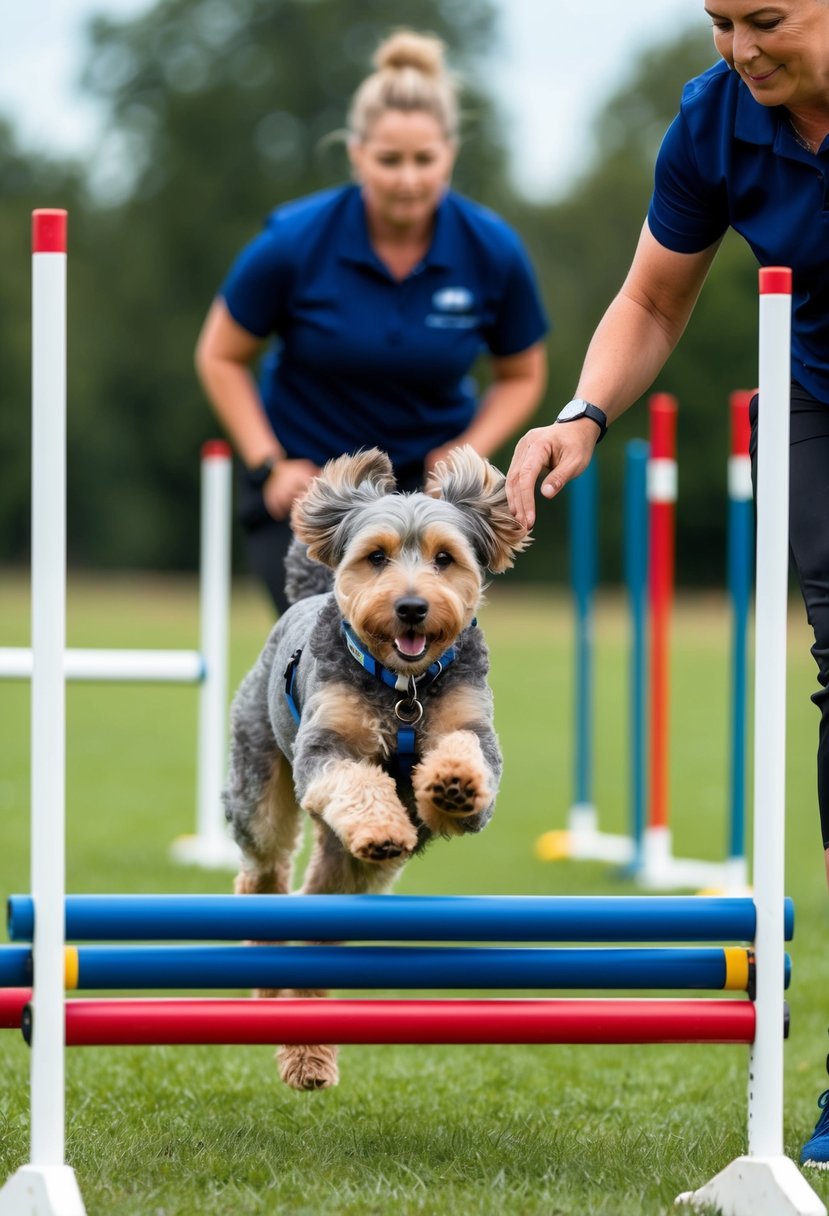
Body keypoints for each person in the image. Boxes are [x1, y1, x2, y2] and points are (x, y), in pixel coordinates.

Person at [505, 0, 829, 1168]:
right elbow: (652, 297)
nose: (740, 49)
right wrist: (584, 413)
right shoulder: (715, 124)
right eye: (717, 21)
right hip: (820, 401)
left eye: (767, 19)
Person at [196, 28, 548, 615]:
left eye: (423, 160)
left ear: (450, 154)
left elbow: (522, 374)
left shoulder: (492, 250)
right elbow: (220, 355)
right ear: (356, 153)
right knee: (321, 648)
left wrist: (465, 451)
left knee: (427, 662)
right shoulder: (292, 242)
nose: (408, 179)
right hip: (308, 488)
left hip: (426, 495)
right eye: (389, 160)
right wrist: (270, 464)